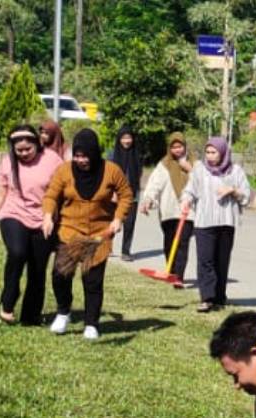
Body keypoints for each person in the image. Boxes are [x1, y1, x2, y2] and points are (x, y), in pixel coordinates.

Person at [42, 128, 132, 340]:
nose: (80, 160)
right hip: (69, 232)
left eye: (85, 156)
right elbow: (51, 195)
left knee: (93, 282)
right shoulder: (64, 171)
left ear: (94, 153)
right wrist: (47, 216)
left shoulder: (111, 170)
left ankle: (91, 324)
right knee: (60, 275)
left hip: (99, 234)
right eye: (77, 155)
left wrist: (118, 218)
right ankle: (63, 312)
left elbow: (126, 195)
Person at [0, 124, 65, 325]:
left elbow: (62, 191)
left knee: (37, 269)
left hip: (44, 220)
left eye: (27, 149)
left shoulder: (52, 160)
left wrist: (53, 216)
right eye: (19, 150)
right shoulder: (7, 162)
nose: (23, 154)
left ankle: (31, 316)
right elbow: (0, 194)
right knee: (17, 253)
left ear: (37, 143)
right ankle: (8, 303)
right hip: (14, 214)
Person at [180, 137, 251, 313]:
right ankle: (207, 298)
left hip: (226, 222)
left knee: (222, 261)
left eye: (214, 153)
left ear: (223, 153)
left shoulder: (235, 171)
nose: (210, 156)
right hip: (204, 222)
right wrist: (186, 200)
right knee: (205, 260)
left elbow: (246, 196)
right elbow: (190, 189)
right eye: (208, 152)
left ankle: (219, 297)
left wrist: (233, 191)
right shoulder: (199, 169)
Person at [141, 132, 195, 284]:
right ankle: (170, 273)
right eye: (174, 147)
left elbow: (203, 182)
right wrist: (148, 200)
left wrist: (190, 169)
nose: (177, 150)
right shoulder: (164, 165)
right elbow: (154, 185)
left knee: (182, 244)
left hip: (188, 212)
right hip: (169, 212)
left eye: (180, 146)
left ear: (185, 146)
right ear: (169, 148)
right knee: (169, 244)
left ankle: (179, 277)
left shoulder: (195, 163)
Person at [109, 126, 143, 259]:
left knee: (130, 223)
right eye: (123, 138)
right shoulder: (112, 155)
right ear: (119, 139)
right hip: (114, 194)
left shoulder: (137, 154)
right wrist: (112, 192)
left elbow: (139, 174)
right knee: (112, 221)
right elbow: (108, 176)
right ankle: (107, 247)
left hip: (132, 193)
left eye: (129, 138)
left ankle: (125, 251)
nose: (127, 141)